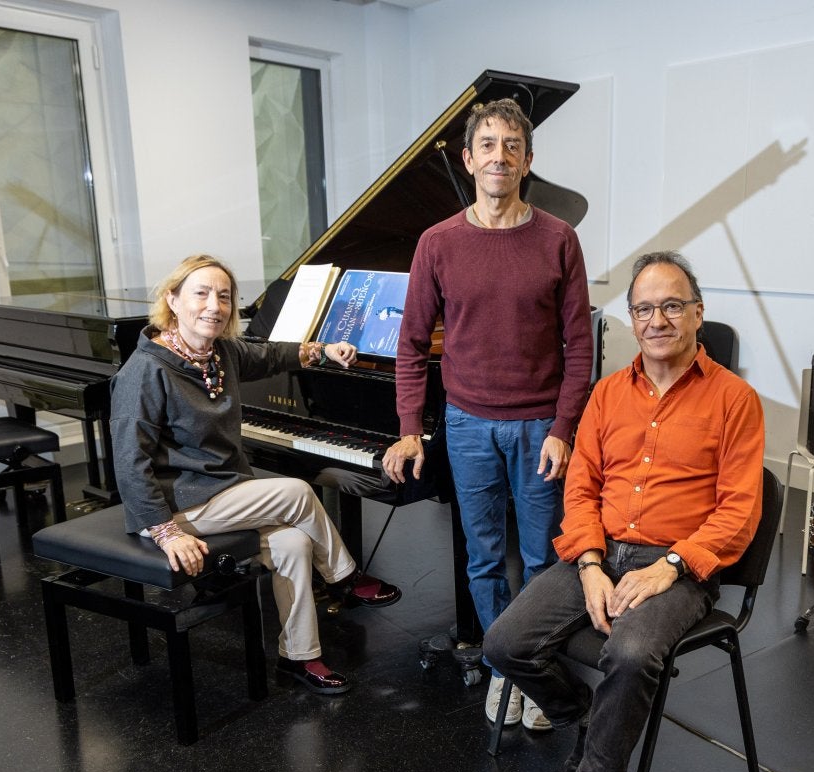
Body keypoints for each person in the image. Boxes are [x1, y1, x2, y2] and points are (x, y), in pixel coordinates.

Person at [483, 251, 766, 772]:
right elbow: (579, 490)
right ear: (632, 320)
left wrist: (669, 567)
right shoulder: (608, 394)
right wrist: (587, 564)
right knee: (503, 644)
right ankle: (583, 714)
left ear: (699, 312)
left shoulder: (735, 400)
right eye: (644, 308)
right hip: (602, 552)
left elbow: (739, 512)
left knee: (633, 655)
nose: (658, 319)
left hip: (680, 565)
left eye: (672, 305)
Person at [383, 97, 593, 731]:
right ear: (468, 159)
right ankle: (504, 668)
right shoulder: (437, 242)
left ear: (528, 160)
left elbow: (579, 343)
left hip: (538, 427)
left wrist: (563, 427)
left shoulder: (559, 238)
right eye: (488, 145)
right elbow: (412, 342)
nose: (499, 155)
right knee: (481, 555)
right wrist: (410, 429)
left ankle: (534, 665)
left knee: (540, 558)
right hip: (469, 424)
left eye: (512, 145)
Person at [110, 254, 400, 695]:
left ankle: (300, 658)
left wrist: (322, 350)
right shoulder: (146, 370)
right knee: (297, 492)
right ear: (172, 299)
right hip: (172, 510)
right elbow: (129, 462)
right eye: (201, 293)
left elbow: (269, 354)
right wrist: (169, 534)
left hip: (220, 494)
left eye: (224, 296)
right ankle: (345, 579)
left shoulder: (218, 352)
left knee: (294, 542)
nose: (214, 306)